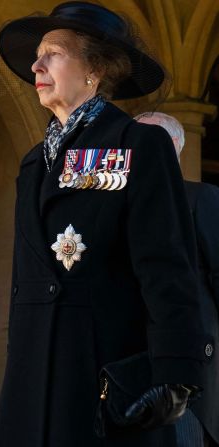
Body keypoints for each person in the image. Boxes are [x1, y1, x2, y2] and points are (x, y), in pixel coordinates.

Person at [0, 2, 214, 446]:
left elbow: (167, 265)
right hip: (33, 375)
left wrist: (176, 374)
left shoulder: (138, 144)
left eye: (52, 52)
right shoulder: (34, 163)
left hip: (102, 370)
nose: (36, 65)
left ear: (95, 67)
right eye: (38, 55)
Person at [135, 111, 219, 447]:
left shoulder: (202, 198)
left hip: (186, 358)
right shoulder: (112, 204)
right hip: (129, 356)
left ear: (172, 147)